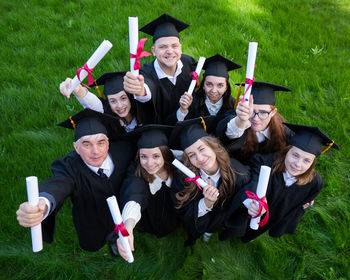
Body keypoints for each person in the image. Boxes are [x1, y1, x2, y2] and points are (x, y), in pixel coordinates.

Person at [16, 109, 136, 252]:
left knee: (121, 230)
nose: (95, 151)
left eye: (101, 142)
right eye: (86, 144)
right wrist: (42, 204)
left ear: (108, 143)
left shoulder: (124, 151)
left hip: (122, 207)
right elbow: (58, 184)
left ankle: (115, 242)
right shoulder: (69, 166)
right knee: (92, 243)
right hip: (90, 216)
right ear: (76, 147)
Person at [220, 123, 339, 242]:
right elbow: (254, 182)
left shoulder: (315, 183)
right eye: (295, 155)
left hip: (274, 216)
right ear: (287, 151)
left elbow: (300, 205)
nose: (298, 164)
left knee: (253, 233)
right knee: (237, 227)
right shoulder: (265, 163)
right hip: (252, 208)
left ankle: (247, 237)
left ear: (313, 163)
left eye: (306, 160)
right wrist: (251, 202)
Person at [169, 117, 251, 245]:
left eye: (202, 149)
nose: (200, 158)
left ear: (213, 146)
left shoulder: (239, 174)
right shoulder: (183, 178)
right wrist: (206, 203)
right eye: (191, 155)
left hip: (222, 214)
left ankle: (210, 232)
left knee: (217, 221)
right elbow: (182, 209)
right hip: (200, 217)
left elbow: (239, 204)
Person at [116, 125, 180, 260]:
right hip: (150, 216)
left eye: (156, 156)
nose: (149, 163)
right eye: (143, 156)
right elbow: (133, 195)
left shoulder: (178, 165)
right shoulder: (137, 172)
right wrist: (127, 228)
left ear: (165, 154)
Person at [123, 13, 197, 124]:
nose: (169, 51)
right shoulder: (146, 72)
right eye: (162, 47)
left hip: (187, 121)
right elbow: (147, 87)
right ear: (153, 51)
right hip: (158, 128)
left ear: (180, 48)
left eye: (174, 46)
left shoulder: (189, 63)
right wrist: (141, 91)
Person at [216, 81, 292, 163]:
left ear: (273, 112)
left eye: (263, 112)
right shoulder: (239, 118)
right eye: (251, 111)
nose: (256, 118)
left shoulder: (283, 130)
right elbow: (230, 132)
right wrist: (241, 121)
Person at [171, 54, 242, 129]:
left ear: (226, 87)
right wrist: (182, 109)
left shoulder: (234, 105)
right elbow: (174, 126)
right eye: (209, 84)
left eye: (220, 85)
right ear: (203, 85)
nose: (214, 91)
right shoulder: (191, 102)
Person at [59, 71, 141, 137]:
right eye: (112, 101)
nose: (119, 105)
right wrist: (77, 89)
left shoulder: (142, 109)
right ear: (108, 102)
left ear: (130, 96)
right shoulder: (108, 114)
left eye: (123, 98)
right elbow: (92, 103)